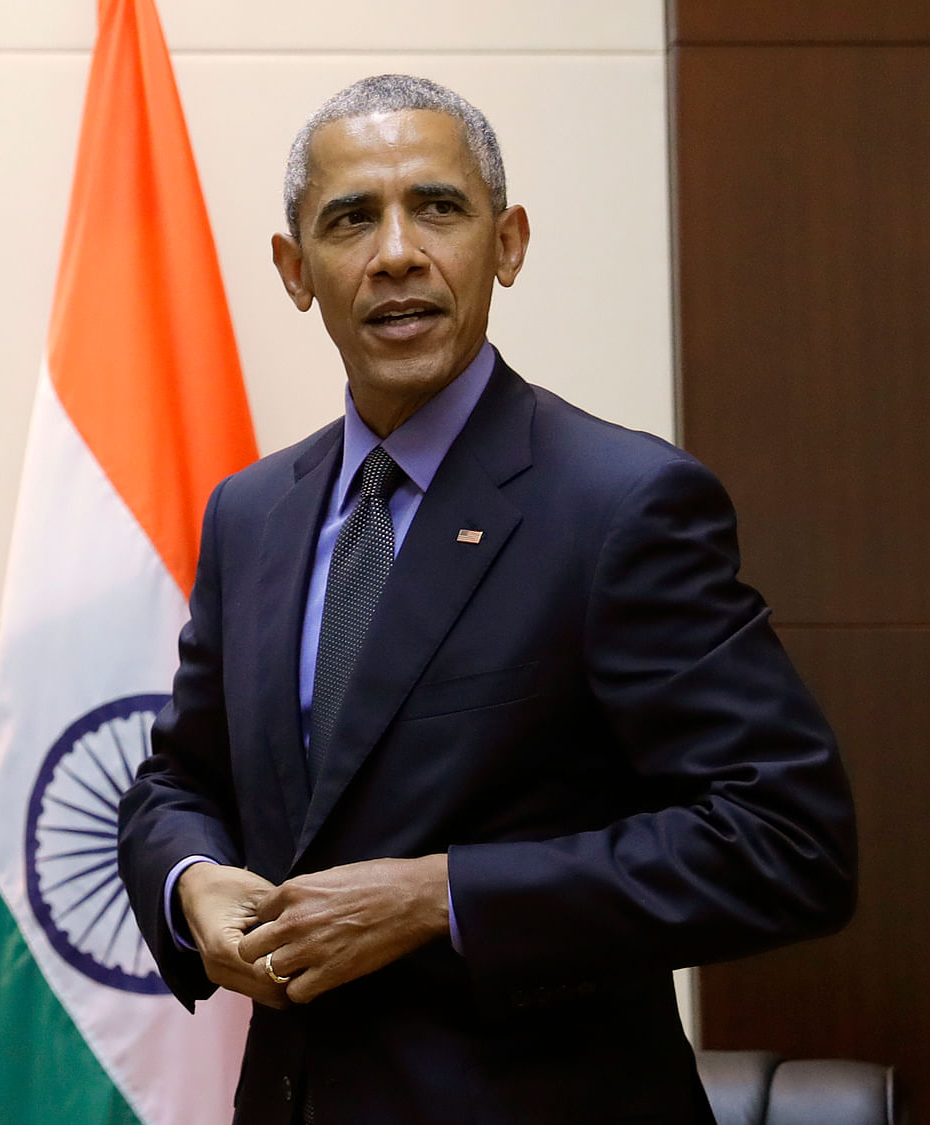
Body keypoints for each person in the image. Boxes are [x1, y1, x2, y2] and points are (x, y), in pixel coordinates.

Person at [117, 75, 856, 1123]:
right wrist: (190, 881)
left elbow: (786, 843)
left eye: (437, 208)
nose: (395, 254)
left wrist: (439, 898)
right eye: (348, 220)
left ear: (504, 244)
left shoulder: (619, 504)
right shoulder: (249, 515)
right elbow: (176, 781)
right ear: (293, 271)